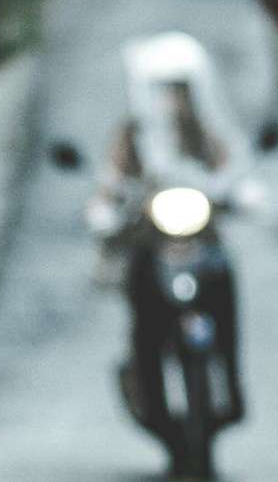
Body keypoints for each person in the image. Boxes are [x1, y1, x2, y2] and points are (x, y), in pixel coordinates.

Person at [92, 32, 244, 421]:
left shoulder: (204, 135)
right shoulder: (133, 134)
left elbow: (230, 171)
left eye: (174, 91)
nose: (166, 101)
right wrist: (103, 206)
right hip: (153, 242)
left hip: (199, 240)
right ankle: (145, 383)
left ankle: (231, 380)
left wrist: (242, 192)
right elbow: (111, 178)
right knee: (139, 295)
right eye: (159, 91)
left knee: (225, 277)